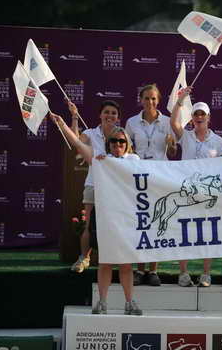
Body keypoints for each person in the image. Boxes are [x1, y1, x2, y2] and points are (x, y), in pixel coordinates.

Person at [50, 112, 142, 316]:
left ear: (127, 144)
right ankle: (102, 302)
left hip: (126, 220)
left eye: (121, 141)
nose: (117, 145)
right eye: (113, 142)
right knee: (106, 262)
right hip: (106, 220)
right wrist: (63, 124)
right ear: (108, 144)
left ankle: (129, 302)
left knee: (126, 265)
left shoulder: (134, 160)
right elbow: (77, 144)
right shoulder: (101, 160)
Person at [171, 86, 222, 287]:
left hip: (207, 195)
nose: (199, 117)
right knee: (184, 232)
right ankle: (183, 273)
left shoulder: (218, 142)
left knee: (207, 233)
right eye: (196, 114)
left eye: (203, 114)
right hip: (186, 192)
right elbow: (173, 122)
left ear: (209, 117)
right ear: (192, 118)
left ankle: (206, 274)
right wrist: (180, 100)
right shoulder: (185, 136)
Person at [125, 84, 177, 287]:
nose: (150, 102)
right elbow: (126, 149)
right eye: (146, 98)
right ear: (140, 99)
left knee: (156, 223)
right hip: (138, 177)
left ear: (159, 100)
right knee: (141, 223)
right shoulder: (131, 122)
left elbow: (172, 153)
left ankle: (153, 270)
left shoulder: (167, 122)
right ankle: (139, 269)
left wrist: (172, 145)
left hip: (160, 177)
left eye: (154, 99)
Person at [68, 100, 120, 273]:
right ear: (100, 115)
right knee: (88, 223)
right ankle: (84, 258)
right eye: (106, 112)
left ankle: (112, 258)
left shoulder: (121, 135)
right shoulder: (90, 133)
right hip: (93, 184)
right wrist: (75, 117)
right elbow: (76, 142)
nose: (110, 115)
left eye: (113, 113)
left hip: (115, 188)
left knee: (114, 224)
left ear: (117, 117)